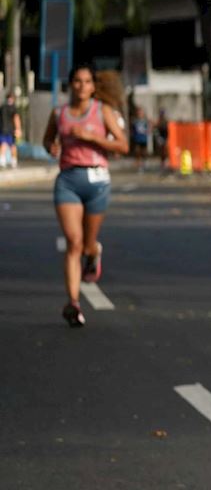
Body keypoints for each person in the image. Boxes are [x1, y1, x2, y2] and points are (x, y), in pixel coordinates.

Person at [42, 64, 129, 327]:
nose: (82, 86)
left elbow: (123, 145)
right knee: (74, 242)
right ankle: (74, 303)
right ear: (71, 85)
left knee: (88, 244)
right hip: (68, 181)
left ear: (93, 86)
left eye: (87, 81)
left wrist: (91, 137)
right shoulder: (59, 114)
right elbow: (47, 141)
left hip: (97, 182)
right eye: (77, 81)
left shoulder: (102, 112)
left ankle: (94, 253)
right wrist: (52, 146)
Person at [0, 90, 20, 168]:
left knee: (3, 144)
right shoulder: (13, 107)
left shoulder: (2, 107)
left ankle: (2, 161)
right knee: (12, 146)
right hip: (11, 130)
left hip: (3, 129)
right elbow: (16, 118)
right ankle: (13, 161)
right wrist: (18, 129)